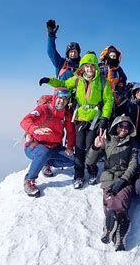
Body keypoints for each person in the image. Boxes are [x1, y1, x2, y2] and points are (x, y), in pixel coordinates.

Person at [39, 52, 114, 189]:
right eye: (87, 66)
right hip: (79, 118)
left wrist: (105, 117)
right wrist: (49, 80)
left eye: (92, 66)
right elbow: (63, 83)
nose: (89, 69)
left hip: (94, 118)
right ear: (83, 67)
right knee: (79, 148)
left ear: (96, 67)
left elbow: (108, 100)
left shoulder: (102, 81)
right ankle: (78, 175)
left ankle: (92, 172)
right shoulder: (77, 79)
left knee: (91, 148)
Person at [86, 115, 139, 251]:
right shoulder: (107, 140)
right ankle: (118, 231)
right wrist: (96, 147)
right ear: (116, 126)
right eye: (121, 126)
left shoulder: (132, 143)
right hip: (108, 178)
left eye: (127, 127)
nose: (123, 129)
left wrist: (123, 180)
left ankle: (111, 230)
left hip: (125, 178)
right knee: (109, 198)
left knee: (121, 200)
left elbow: (133, 164)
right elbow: (90, 161)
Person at [20, 87, 75, 197]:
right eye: (60, 98)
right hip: (35, 145)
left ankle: (47, 163)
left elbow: (70, 132)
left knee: (73, 160)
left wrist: (69, 146)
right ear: (55, 97)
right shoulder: (44, 109)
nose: (62, 101)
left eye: (65, 99)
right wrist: (34, 129)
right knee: (44, 152)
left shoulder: (66, 114)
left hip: (54, 147)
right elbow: (25, 121)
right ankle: (29, 180)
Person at [99, 45, 128, 111]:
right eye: (111, 56)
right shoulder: (101, 67)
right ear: (107, 56)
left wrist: (119, 89)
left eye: (114, 56)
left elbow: (123, 80)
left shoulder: (118, 69)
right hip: (100, 95)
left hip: (113, 96)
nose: (112, 58)